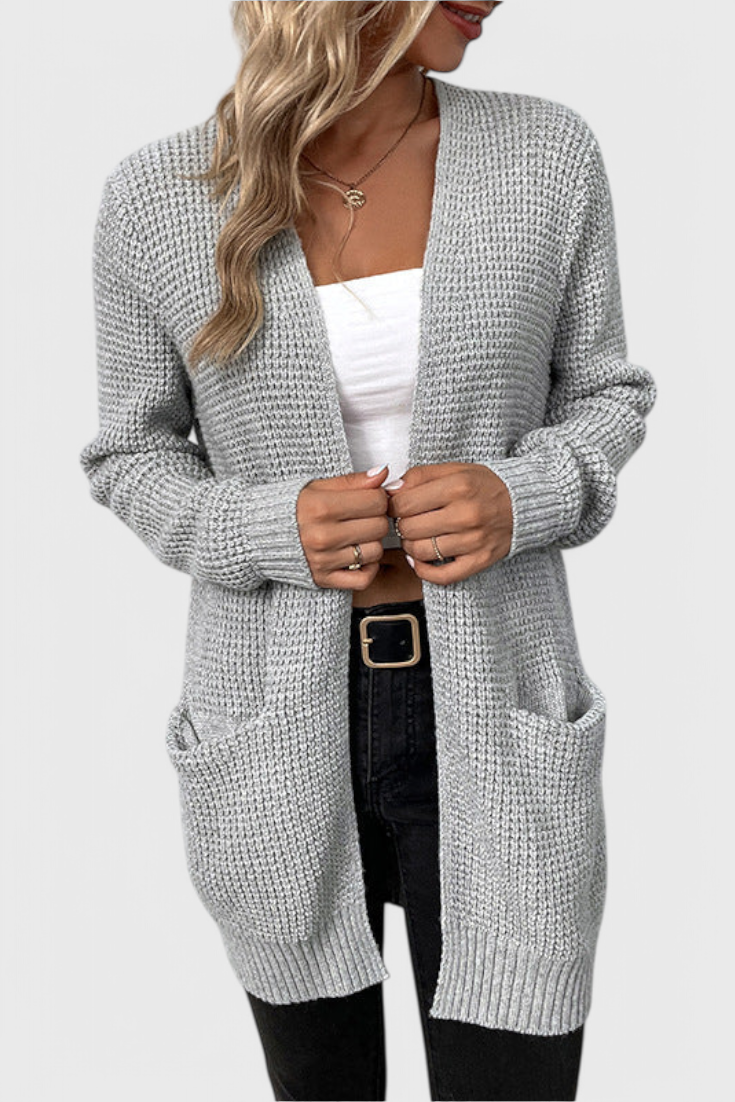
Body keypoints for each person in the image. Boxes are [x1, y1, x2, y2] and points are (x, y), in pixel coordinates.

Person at [79, 2, 657, 1099]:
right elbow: (130, 455)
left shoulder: (545, 154)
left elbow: (606, 394)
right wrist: (266, 525)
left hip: (499, 706)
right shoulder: (159, 196)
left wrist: (521, 495)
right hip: (274, 721)